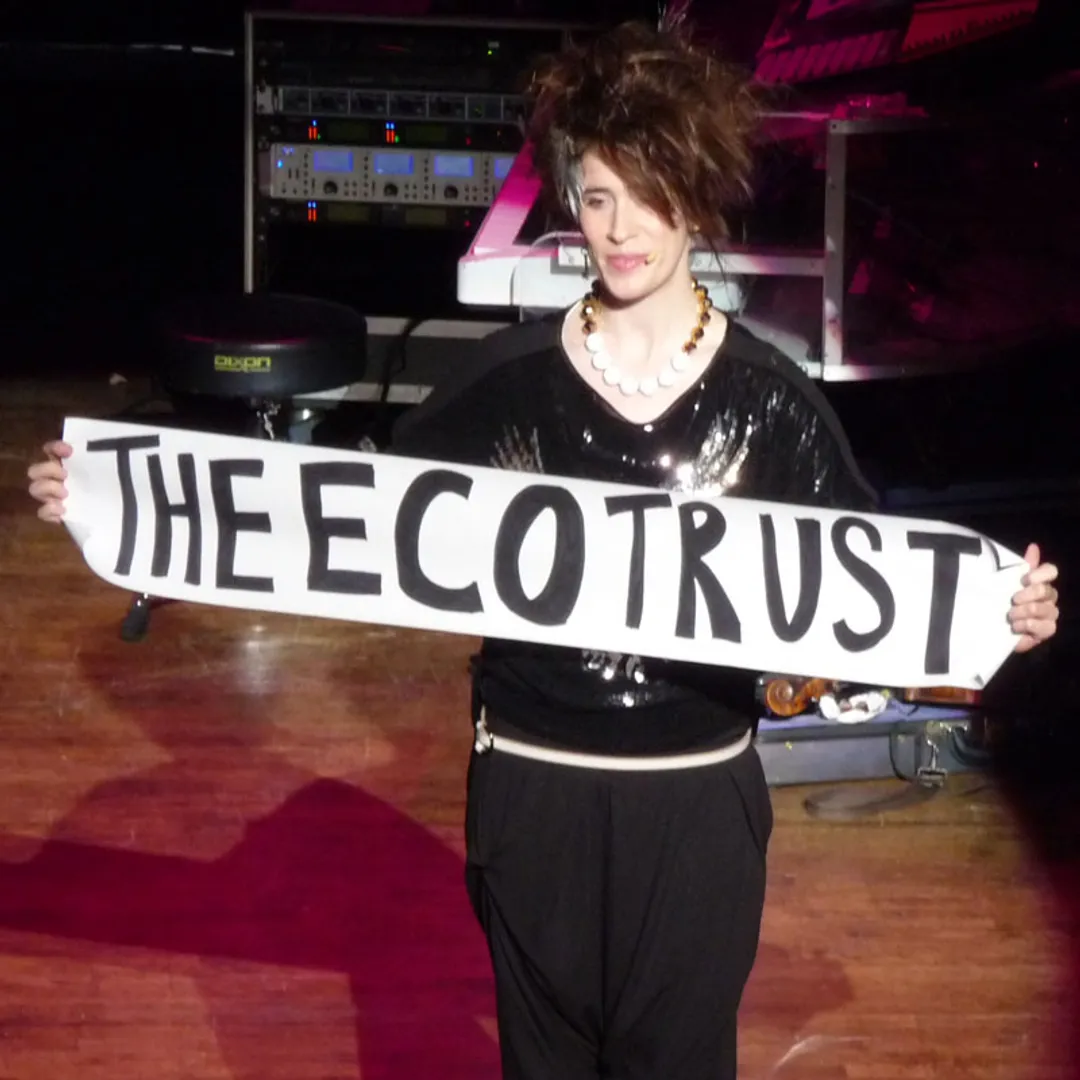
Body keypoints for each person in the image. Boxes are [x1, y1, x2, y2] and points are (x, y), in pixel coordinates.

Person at [28, 19, 1060, 1080]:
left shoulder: (774, 402)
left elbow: (879, 587)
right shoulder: (504, 381)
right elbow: (335, 517)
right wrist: (123, 500)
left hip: (696, 802)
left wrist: (998, 614)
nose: (621, 228)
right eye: (598, 195)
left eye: (649, 193)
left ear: (697, 195)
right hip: (533, 789)